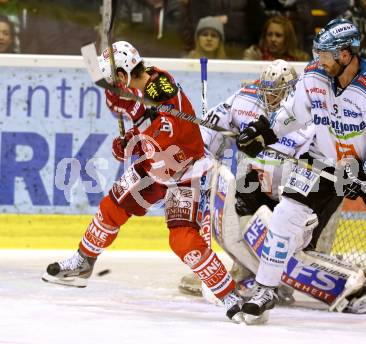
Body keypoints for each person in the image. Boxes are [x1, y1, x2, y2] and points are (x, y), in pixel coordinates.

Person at [235, 19, 366, 333]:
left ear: (345, 55)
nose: (318, 60)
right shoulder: (314, 76)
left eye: (325, 54)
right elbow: (293, 115)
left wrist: (363, 175)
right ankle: (265, 289)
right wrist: (264, 132)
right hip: (326, 159)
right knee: (286, 214)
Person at [42, 41, 244, 323]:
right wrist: (129, 142)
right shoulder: (138, 88)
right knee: (111, 207)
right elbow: (142, 131)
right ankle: (83, 262)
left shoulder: (163, 94)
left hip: (186, 174)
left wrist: (134, 141)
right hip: (155, 168)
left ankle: (229, 296)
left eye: (115, 78)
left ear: (125, 73)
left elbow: (165, 140)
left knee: (183, 240)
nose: (114, 84)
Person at [180, 59, 366, 315]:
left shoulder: (310, 108)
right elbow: (211, 124)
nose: (271, 97)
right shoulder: (245, 98)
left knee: (293, 245)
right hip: (260, 182)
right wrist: (203, 152)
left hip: (308, 185)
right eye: (267, 90)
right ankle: (251, 272)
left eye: (277, 91)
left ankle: (355, 286)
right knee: (245, 224)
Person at [243, 15, 309, 61]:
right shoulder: (254, 55)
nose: (273, 39)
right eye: (269, 34)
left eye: (278, 35)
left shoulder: (301, 59)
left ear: (288, 38)